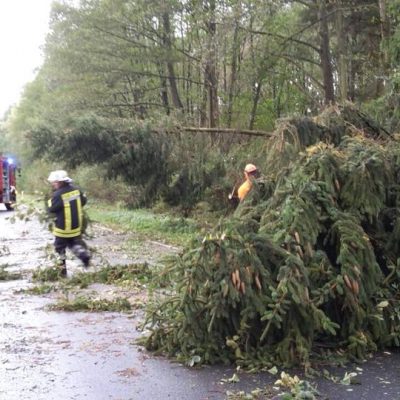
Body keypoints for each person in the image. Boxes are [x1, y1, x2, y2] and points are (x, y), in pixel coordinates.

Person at [47, 170, 91, 276]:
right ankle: (83, 255)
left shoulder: (58, 194)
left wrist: (49, 200)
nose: (53, 184)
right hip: (76, 227)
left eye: (55, 182)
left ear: (61, 182)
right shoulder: (77, 190)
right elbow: (83, 201)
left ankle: (62, 272)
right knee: (73, 243)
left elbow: (52, 209)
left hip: (63, 229)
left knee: (59, 248)